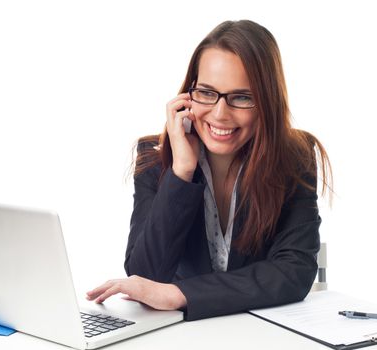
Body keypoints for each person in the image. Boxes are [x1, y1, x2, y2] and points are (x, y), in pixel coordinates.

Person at [86, 19, 333, 321]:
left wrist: (181, 294)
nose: (219, 114)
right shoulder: (154, 158)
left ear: (268, 102)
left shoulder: (293, 157)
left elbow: (293, 270)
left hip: (262, 331)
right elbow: (145, 276)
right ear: (188, 95)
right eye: (206, 92)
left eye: (241, 97)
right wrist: (181, 172)